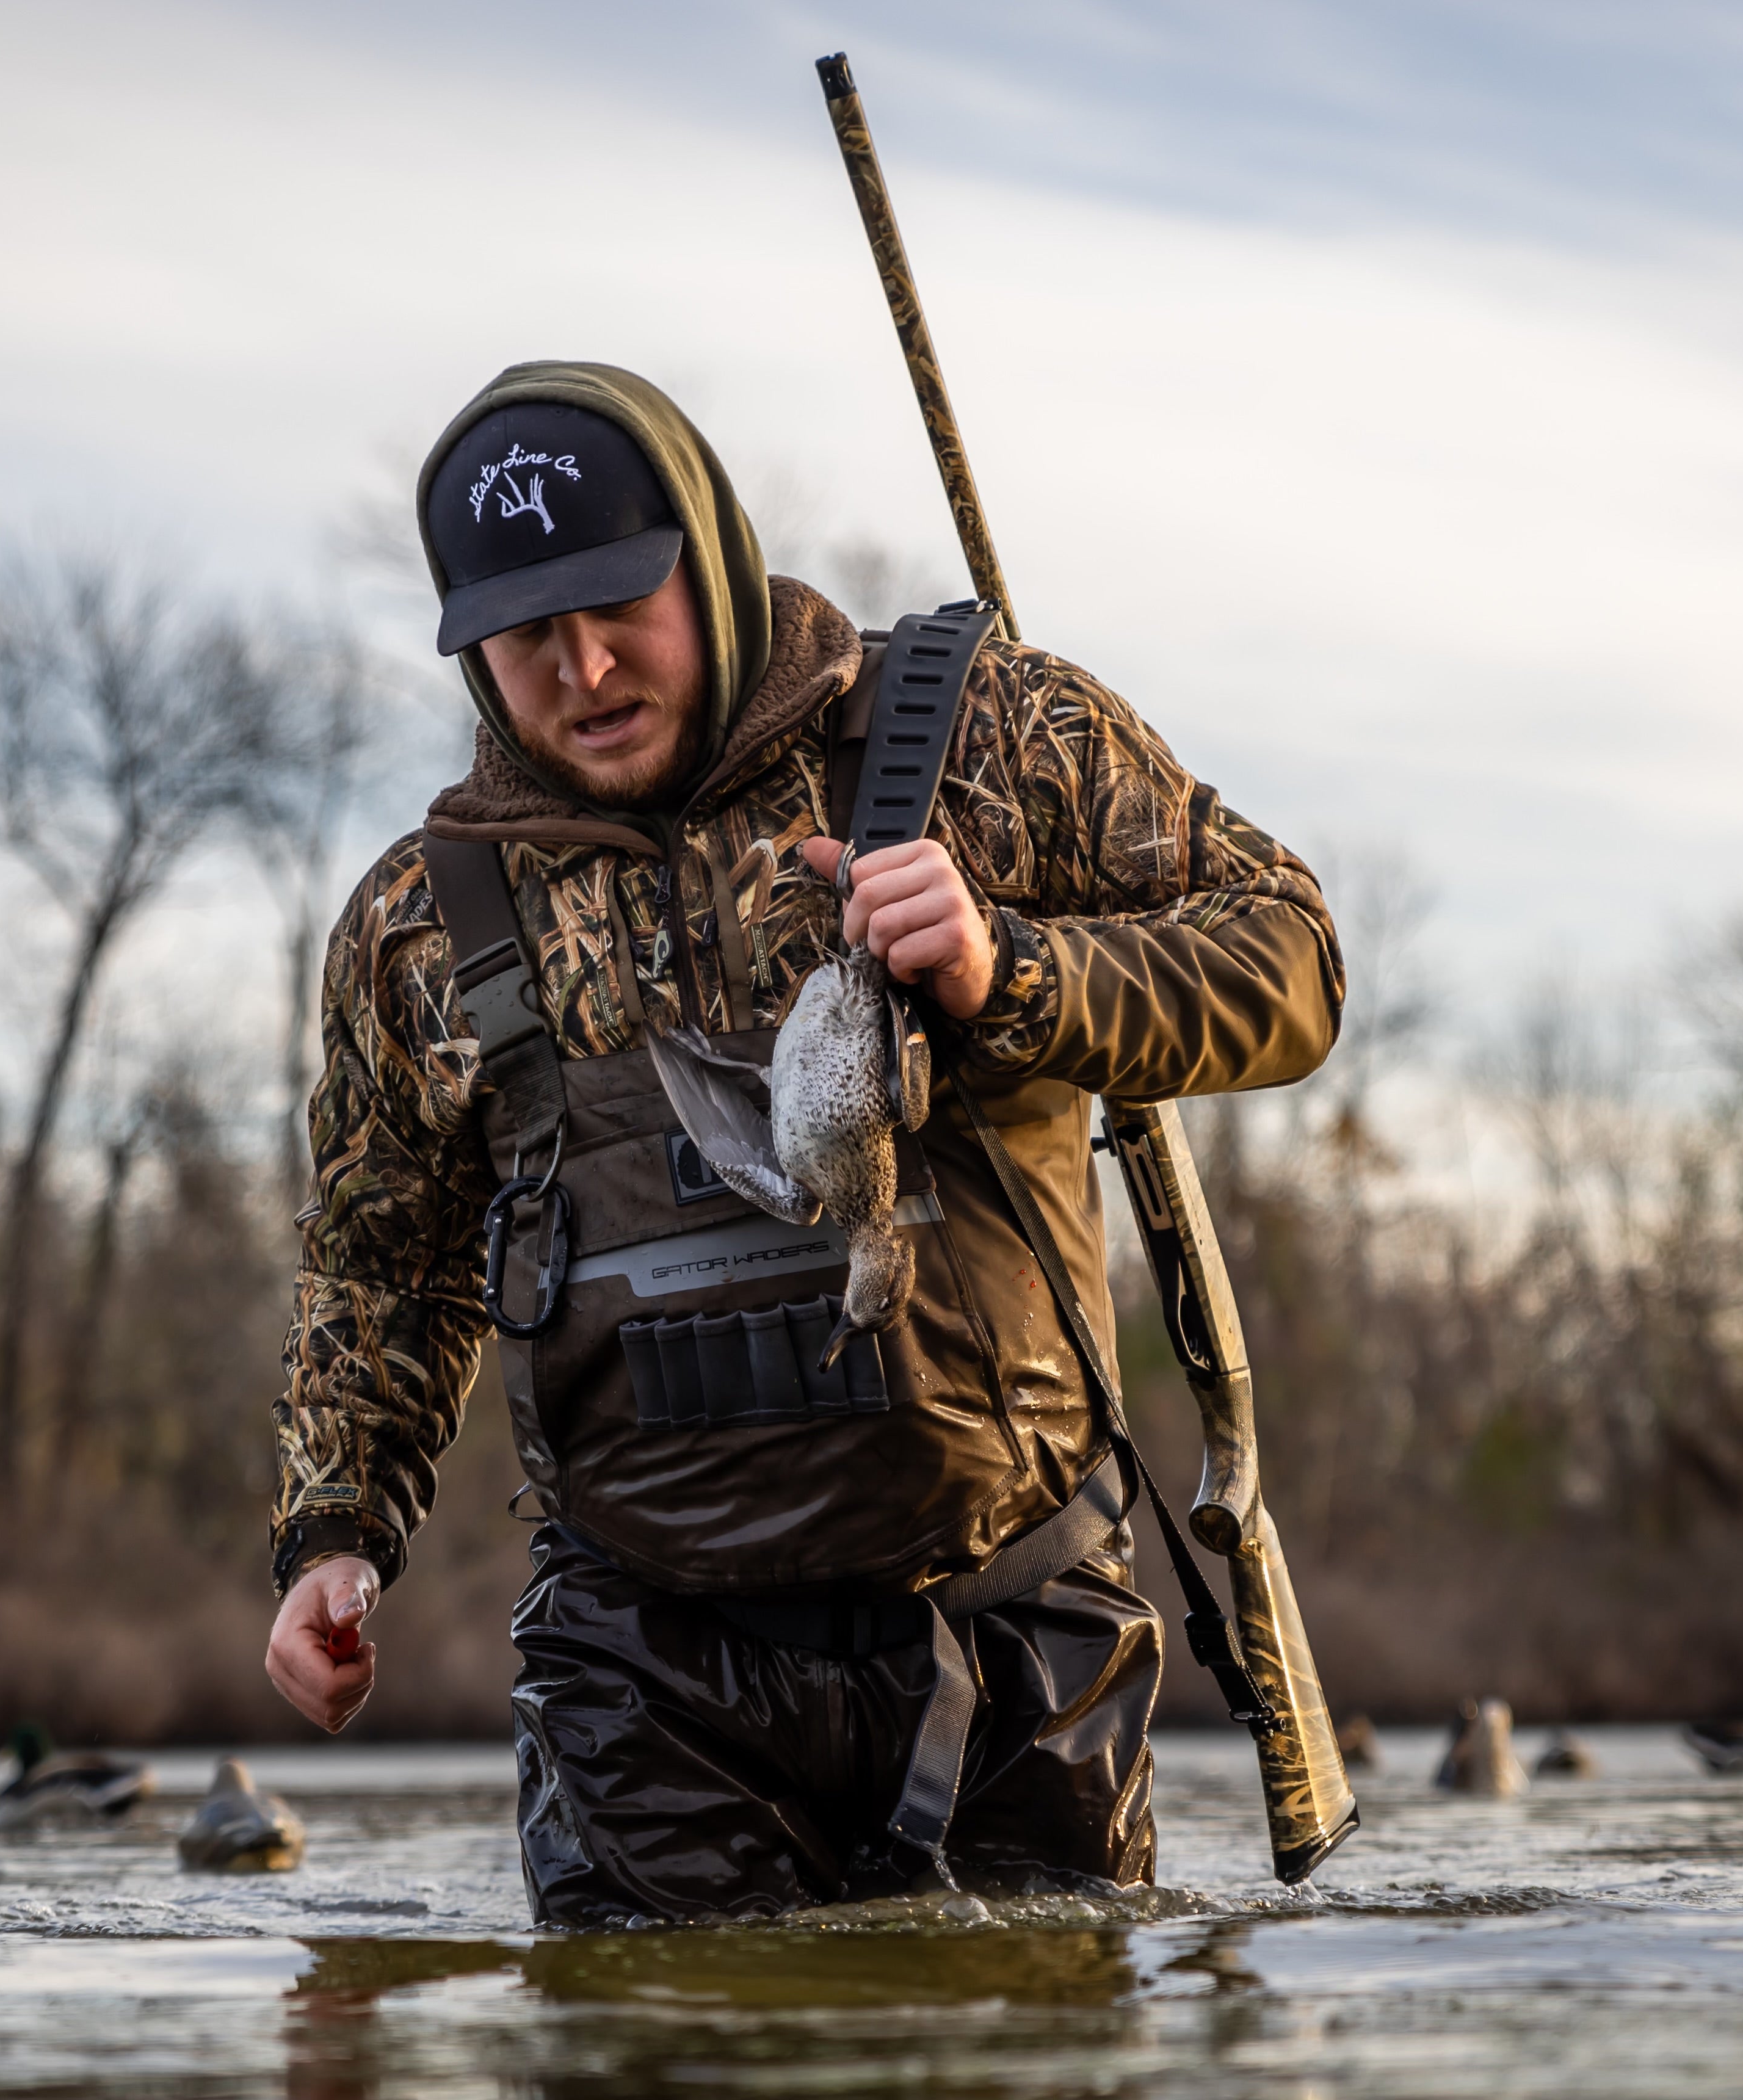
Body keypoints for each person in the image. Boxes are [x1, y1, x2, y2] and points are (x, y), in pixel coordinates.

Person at [263, 360, 1342, 1924]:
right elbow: (377, 1263)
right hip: (644, 1682)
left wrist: (1013, 969)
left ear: (706, 556)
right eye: (524, 633)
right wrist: (333, 1531)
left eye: (619, 603)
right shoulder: (420, 920)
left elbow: (1292, 959)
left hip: (1014, 1633)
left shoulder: (985, 729)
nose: (582, 666)